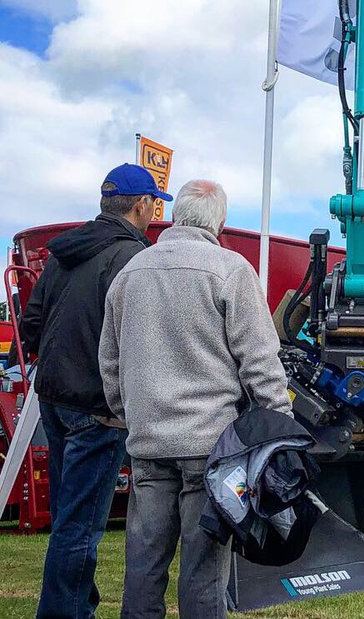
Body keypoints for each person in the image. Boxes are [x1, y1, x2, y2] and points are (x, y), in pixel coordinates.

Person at [100, 179, 292, 619]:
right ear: (219, 224)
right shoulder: (231, 270)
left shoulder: (129, 274)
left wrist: (131, 415)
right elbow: (260, 361)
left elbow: (109, 362)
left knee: (143, 567)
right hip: (210, 449)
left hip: (148, 444)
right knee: (203, 571)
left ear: (174, 217)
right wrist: (280, 424)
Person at [17, 163, 165, 618]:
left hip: (54, 397)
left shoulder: (65, 250)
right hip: (98, 407)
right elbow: (140, 337)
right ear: (142, 205)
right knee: (79, 527)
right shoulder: (132, 257)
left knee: (68, 518)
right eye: (154, 205)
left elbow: (30, 322)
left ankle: (75, 606)